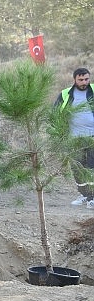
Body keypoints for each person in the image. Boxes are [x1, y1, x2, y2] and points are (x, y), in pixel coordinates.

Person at [54, 68, 94, 208]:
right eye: (81, 80)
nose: (84, 82)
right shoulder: (65, 94)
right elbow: (55, 113)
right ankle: (84, 194)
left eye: (86, 79)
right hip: (73, 138)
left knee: (91, 166)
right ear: (75, 79)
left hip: (92, 137)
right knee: (77, 167)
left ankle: (92, 197)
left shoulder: (93, 90)